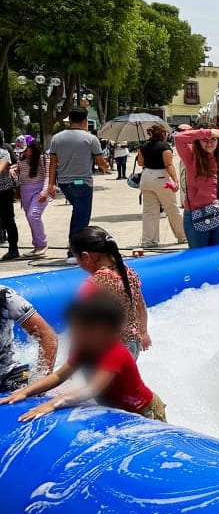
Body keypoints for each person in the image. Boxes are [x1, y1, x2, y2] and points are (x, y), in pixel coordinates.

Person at [0, 295, 166, 422]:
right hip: (117, 406)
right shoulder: (85, 349)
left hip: (144, 409)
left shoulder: (115, 354)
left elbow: (92, 389)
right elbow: (58, 376)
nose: (75, 334)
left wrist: (53, 403)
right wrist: (26, 391)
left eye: (82, 330)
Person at [71, 226, 150, 359]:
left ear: (86, 257)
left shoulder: (94, 283)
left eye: (77, 259)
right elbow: (140, 306)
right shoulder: (128, 272)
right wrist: (144, 332)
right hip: (133, 343)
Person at [48, 107, 110, 264]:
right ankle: (74, 252)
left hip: (64, 183)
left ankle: (77, 248)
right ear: (85, 121)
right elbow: (100, 161)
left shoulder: (57, 138)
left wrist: (50, 185)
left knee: (77, 214)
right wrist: (105, 167)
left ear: (69, 120)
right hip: (82, 182)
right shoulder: (90, 139)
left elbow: (53, 163)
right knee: (81, 219)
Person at [175, 128, 219, 248]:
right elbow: (178, 139)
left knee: (217, 254)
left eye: (213, 139)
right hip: (197, 214)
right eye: (204, 140)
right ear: (198, 141)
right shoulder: (191, 157)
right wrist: (207, 132)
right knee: (199, 256)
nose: (209, 143)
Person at [137, 124, 186, 248]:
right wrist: (175, 180)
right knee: (171, 208)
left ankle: (149, 240)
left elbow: (140, 163)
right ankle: (182, 235)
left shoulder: (143, 146)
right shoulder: (164, 147)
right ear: (163, 134)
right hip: (161, 177)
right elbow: (168, 165)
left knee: (149, 211)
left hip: (146, 177)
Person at [0, 286, 57, 393]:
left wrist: (40, 385)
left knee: (57, 386)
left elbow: (47, 336)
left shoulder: (6, 297)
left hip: (8, 374)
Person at [12, 137, 49, 257]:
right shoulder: (21, 159)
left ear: (32, 147)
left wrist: (45, 191)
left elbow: (48, 176)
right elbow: (21, 172)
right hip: (25, 190)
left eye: (25, 150)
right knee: (30, 218)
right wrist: (14, 170)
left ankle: (42, 244)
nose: (23, 153)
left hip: (39, 189)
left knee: (33, 215)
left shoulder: (43, 158)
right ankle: (37, 245)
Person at [0, 139, 17, 260]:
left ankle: (13, 249)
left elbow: (1, 169)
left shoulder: (3, 153)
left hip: (4, 192)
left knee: (8, 221)